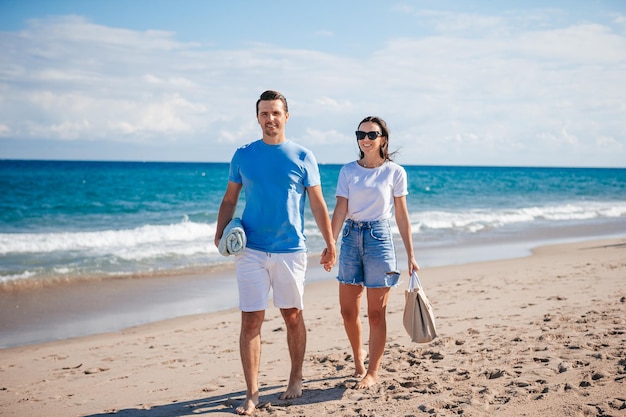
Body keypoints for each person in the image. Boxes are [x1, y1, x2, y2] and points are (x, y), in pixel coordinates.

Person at [214, 90, 336, 415]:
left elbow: (318, 203)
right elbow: (229, 199)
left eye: (276, 113)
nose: (270, 119)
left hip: (290, 250)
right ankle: (252, 394)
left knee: (292, 316)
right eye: (264, 113)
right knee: (251, 320)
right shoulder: (243, 155)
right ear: (257, 117)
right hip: (251, 250)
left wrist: (330, 243)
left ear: (286, 116)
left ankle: (295, 378)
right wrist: (219, 231)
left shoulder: (302, 156)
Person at [330, 116, 419, 389]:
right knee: (347, 311)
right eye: (361, 134)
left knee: (376, 313)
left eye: (372, 134)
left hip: (379, 240)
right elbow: (341, 210)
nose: (365, 139)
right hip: (349, 238)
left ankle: (372, 372)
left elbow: (402, 216)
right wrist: (330, 244)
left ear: (383, 139)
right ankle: (358, 356)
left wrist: (411, 255)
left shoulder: (395, 172)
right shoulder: (347, 171)